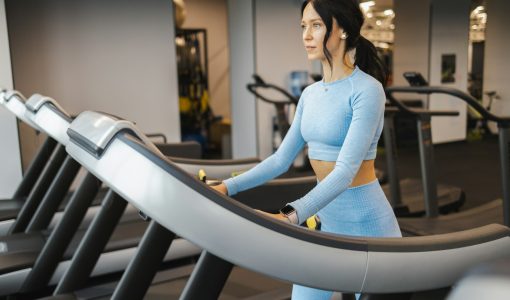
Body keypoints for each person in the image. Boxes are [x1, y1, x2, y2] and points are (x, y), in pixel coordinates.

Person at [213, 0, 401, 298]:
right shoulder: (310, 94)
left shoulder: (366, 90)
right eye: (303, 26)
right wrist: (226, 187)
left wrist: (290, 215)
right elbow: (280, 160)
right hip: (328, 225)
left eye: (316, 25)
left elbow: (345, 172)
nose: (306, 35)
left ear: (341, 30)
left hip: (370, 230)